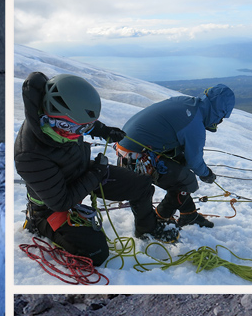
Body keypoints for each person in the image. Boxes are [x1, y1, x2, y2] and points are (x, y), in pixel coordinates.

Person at [15, 72, 177, 264]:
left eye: (85, 128)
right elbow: (60, 202)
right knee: (95, 253)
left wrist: (103, 130)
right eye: (77, 129)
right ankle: (38, 224)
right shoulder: (29, 155)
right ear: (55, 118)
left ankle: (147, 229)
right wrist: (96, 173)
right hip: (50, 205)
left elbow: (80, 121)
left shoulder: (61, 120)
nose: (80, 134)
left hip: (80, 171)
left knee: (141, 185)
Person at [116, 85, 236, 229]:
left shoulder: (187, 102)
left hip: (127, 150)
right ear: (220, 112)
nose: (219, 122)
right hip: (138, 160)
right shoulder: (195, 124)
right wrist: (207, 174)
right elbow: (195, 161)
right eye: (222, 118)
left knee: (181, 166)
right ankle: (161, 217)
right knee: (188, 181)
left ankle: (188, 214)